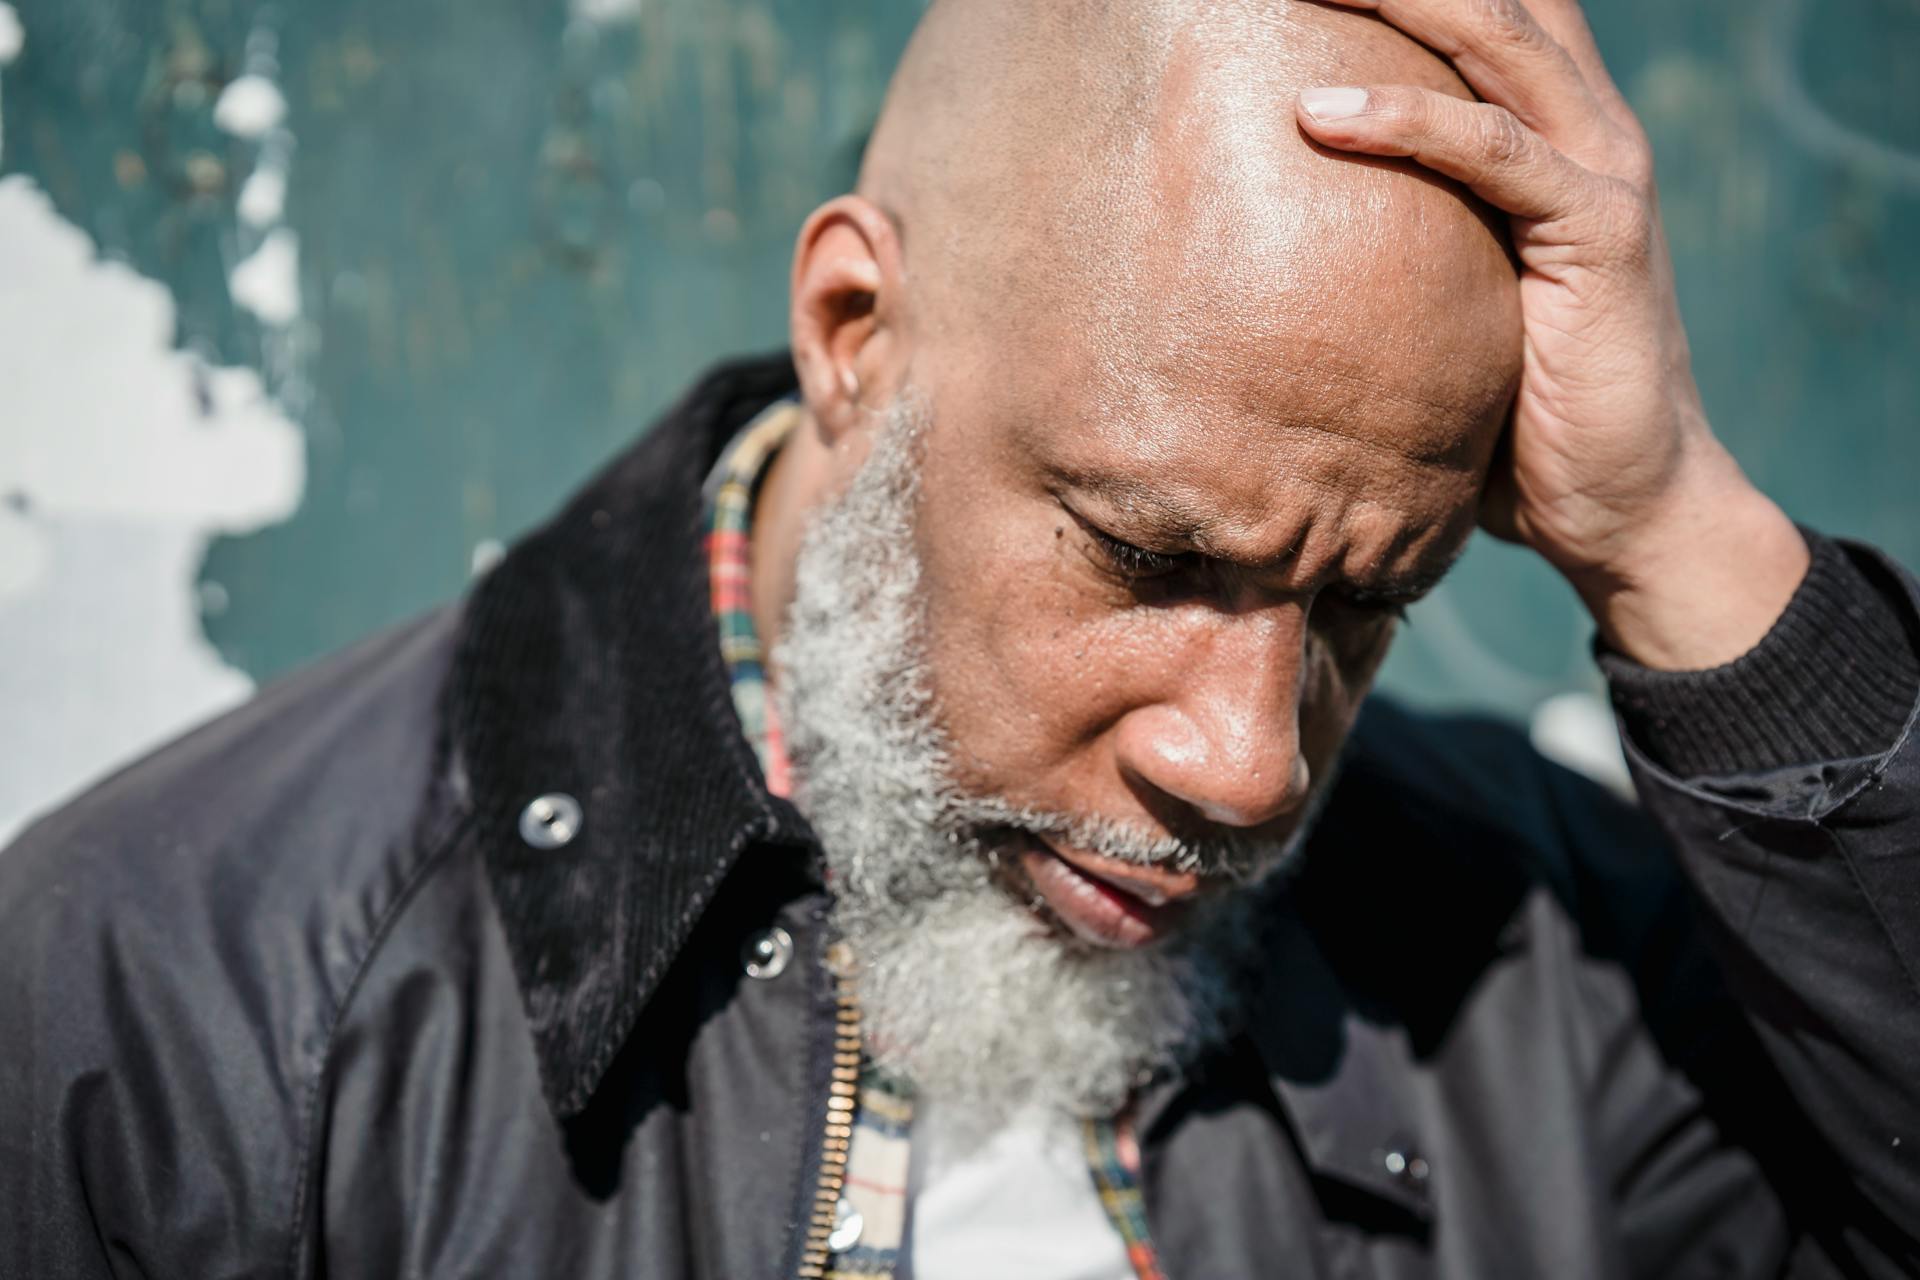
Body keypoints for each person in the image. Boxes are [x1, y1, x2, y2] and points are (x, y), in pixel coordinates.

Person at [3, 0, 1916, 1275]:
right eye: (1152, 560)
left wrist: (1680, 541)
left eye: (1363, 604)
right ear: (855, 331)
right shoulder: (173, 1017)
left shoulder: (1534, 967)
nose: (1246, 764)